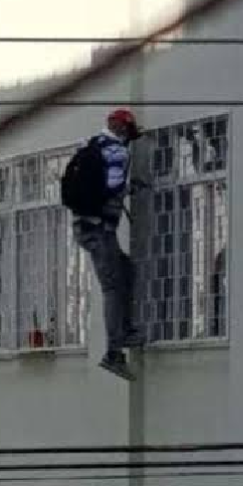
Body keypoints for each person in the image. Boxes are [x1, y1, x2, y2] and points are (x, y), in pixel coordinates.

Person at [71, 108, 146, 379]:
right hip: (99, 229)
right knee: (112, 287)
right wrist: (130, 188)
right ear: (122, 129)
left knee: (126, 270)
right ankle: (115, 352)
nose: (128, 138)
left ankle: (125, 332)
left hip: (84, 225)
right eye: (128, 132)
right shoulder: (117, 152)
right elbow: (112, 187)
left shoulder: (90, 145)